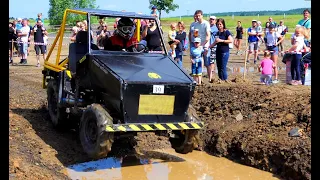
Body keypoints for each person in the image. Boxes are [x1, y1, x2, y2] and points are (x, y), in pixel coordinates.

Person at [206, 16, 218, 82]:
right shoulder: (209, 27)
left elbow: (208, 31)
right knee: (209, 60)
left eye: (213, 20)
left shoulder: (214, 28)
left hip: (213, 46)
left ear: (215, 21)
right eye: (210, 19)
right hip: (208, 45)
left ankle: (211, 74)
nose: (211, 20)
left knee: (212, 60)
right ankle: (210, 74)